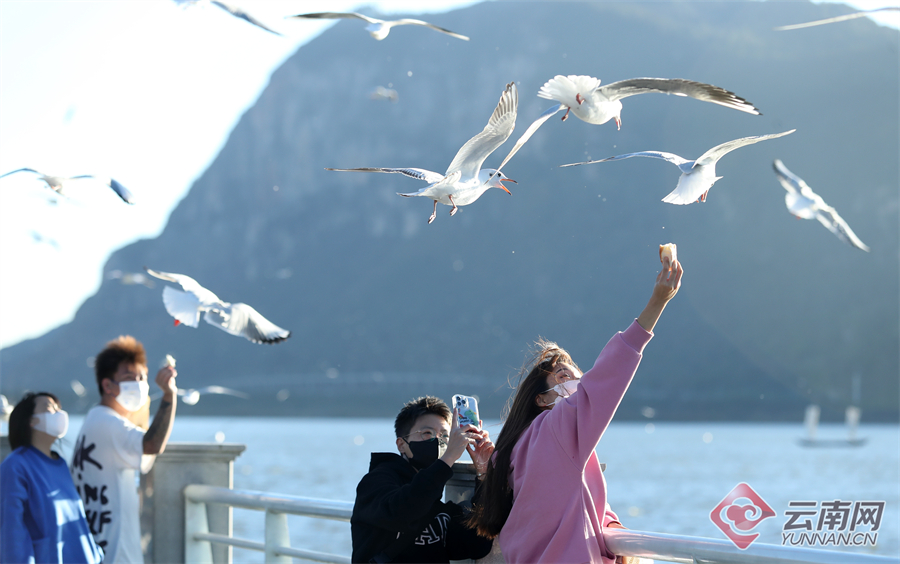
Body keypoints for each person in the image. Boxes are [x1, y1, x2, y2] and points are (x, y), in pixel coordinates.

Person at [468, 253, 684, 564]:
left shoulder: (511, 451)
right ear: (541, 399)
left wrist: (610, 524)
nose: (577, 384)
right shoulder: (558, 427)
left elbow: (568, 497)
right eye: (562, 376)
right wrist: (658, 301)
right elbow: (611, 372)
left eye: (577, 375)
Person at [70, 336, 177, 563]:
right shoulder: (109, 424)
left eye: (142, 378)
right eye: (129, 378)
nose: (138, 384)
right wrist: (169, 396)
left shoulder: (97, 419)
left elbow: (144, 455)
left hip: (98, 548)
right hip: (114, 553)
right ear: (107, 385)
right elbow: (152, 445)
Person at [351, 396, 495, 563]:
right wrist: (448, 458)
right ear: (401, 444)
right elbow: (402, 511)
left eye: (445, 436)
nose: (438, 440)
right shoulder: (376, 482)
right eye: (427, 433)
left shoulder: (437, 502)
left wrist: (484, 475)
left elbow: (477, 544)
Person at [1, 392, 103, 564]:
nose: (59, 414)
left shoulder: (60, 465)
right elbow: (11, 532)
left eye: (59, 408)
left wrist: (96, 555)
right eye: (50, 408)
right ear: (31, 421)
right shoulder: (15, 465)